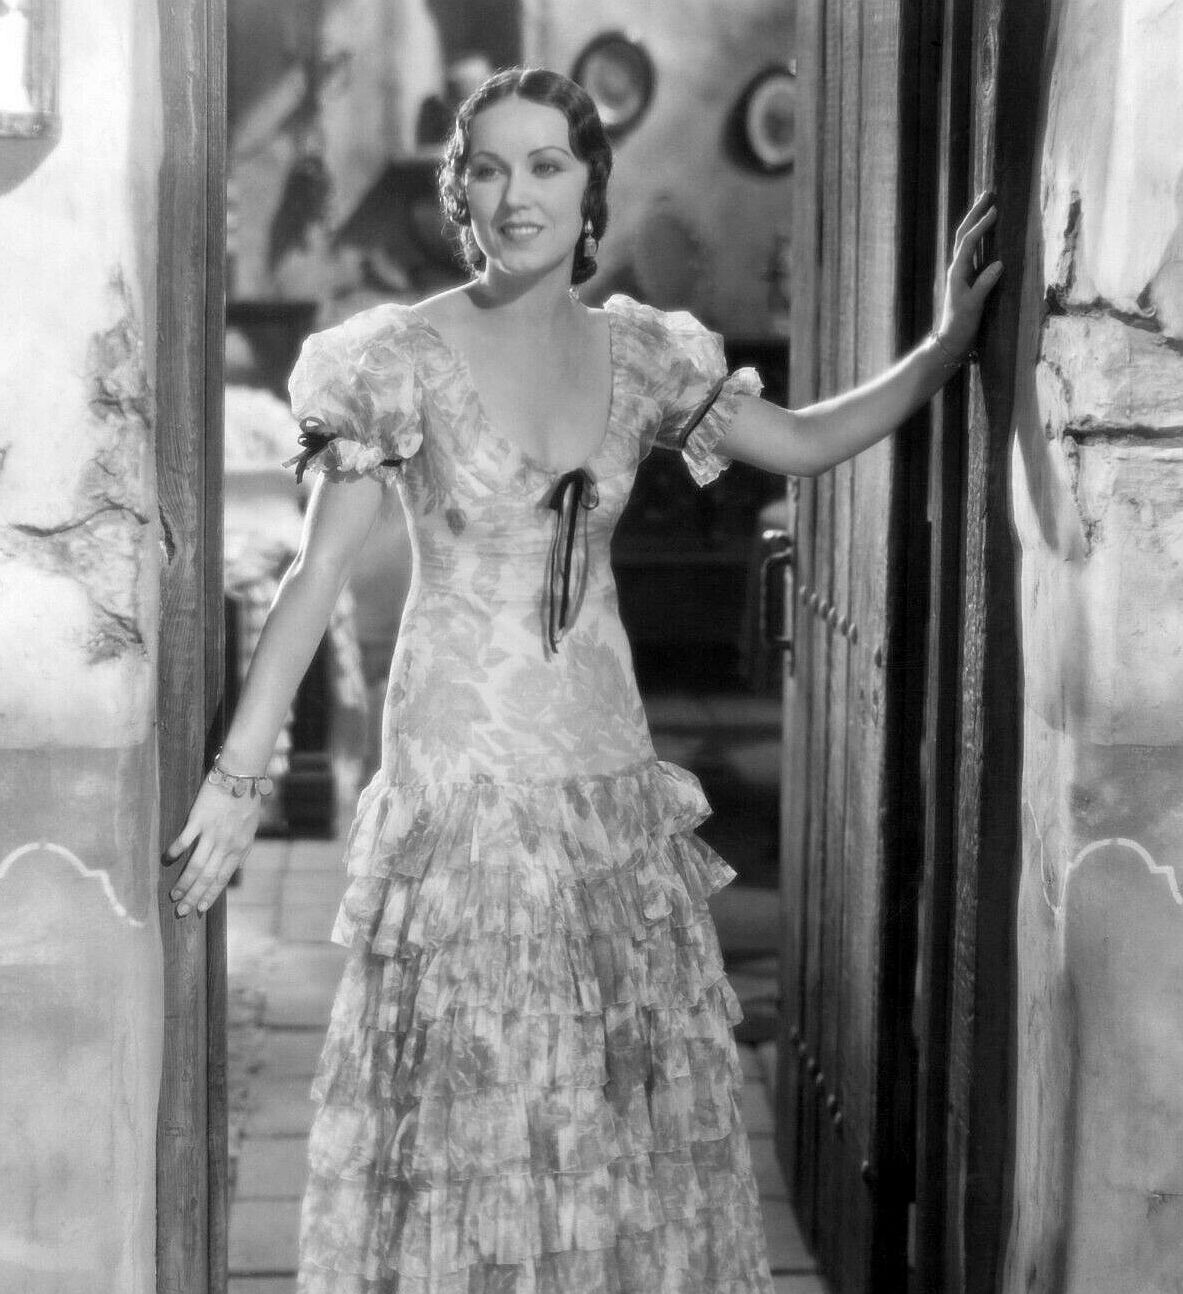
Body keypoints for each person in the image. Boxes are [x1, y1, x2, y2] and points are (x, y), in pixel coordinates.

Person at [166, 66, 1000, 1294]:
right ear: (461, 192)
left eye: (545, 165)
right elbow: (314, 574)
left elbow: (805, 441)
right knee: (474, 1104)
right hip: (463, 782)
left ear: (588, 187)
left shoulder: (643, 353)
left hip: (605, 777)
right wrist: (240, 778)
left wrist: (941, 346)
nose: (517, 194)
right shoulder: (397, 357)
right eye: (490, 167)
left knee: (609, 1097)